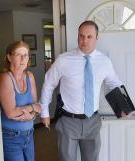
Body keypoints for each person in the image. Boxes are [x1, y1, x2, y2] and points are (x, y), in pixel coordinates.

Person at [39, 21, 126, 161]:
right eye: (81, 36)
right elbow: (48, 84)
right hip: (68, 121)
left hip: (92, 121)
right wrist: (44, 112)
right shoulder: (63, 60)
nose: (84, 40)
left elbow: (113, 83)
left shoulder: (104, 61)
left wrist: (123, 106)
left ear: (97, 37)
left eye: (89, 36)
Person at [0, 41, 41, 161]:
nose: (23, 59)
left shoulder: (30, 76)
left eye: (26, 55)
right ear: (9, 57)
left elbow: (37, 106)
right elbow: (10, 113)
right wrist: (31, 109)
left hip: (29, 134)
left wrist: (30, 115)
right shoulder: (5, 78)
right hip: (11, 136)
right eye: (18, 55)